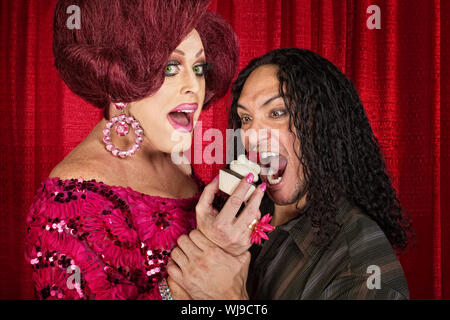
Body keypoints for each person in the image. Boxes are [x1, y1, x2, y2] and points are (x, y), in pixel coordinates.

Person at [24, 0, 239, 299]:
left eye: (199, 67)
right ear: (119, 78)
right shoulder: (68, 204)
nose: (194, 87)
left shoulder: (175, 158)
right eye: (171, 67)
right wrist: (177, 290)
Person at [167, 48, 414, 300]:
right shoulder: (239, 219)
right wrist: (206, 254)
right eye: (246, 118)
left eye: (276, 113)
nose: (252, 135)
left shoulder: (360, 269)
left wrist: (230, 300)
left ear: (321, 124)